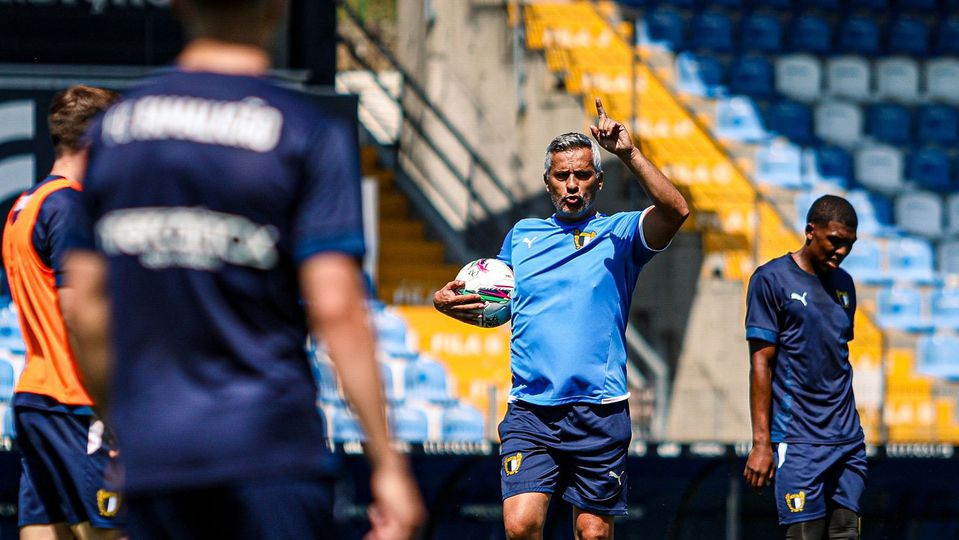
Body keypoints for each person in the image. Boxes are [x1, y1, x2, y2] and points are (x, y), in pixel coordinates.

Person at [60, 1, 424, 538]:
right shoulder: (303, 131)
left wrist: (127, 427)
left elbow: (86, 309)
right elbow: (336, 307)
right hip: (268, 451)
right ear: (278, 8)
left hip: (159, 458)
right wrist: (388, 467)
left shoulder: (114, 134)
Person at [434, 98, 689, 540]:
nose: (572, 185)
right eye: (562, 176)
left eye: (582, 175)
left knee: (592, 534)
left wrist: (629, 153)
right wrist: (446, 303)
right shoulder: (523, 236)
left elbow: (676, 211)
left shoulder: (621, 234)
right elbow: (494, 299)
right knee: (521, 525)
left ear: (599, 180)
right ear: (548, 182)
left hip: (600, 411)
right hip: (532, 411)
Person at [2, 85, 124, 540]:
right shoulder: (70, 206)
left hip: (36, 398)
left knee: (44, 529)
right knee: (115, 531)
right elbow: (78, 314)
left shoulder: (24, 205)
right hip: (75, 401)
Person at [743, 195, 866, 540]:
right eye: (835, 241)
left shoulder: (845, 286)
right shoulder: (771, 280)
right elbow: (761, 365)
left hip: (847, 439)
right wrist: (762, 443)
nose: (841, 251)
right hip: (799, 441)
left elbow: (835, 358)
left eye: (849, 245)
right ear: (811, 231)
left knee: (847, 535)